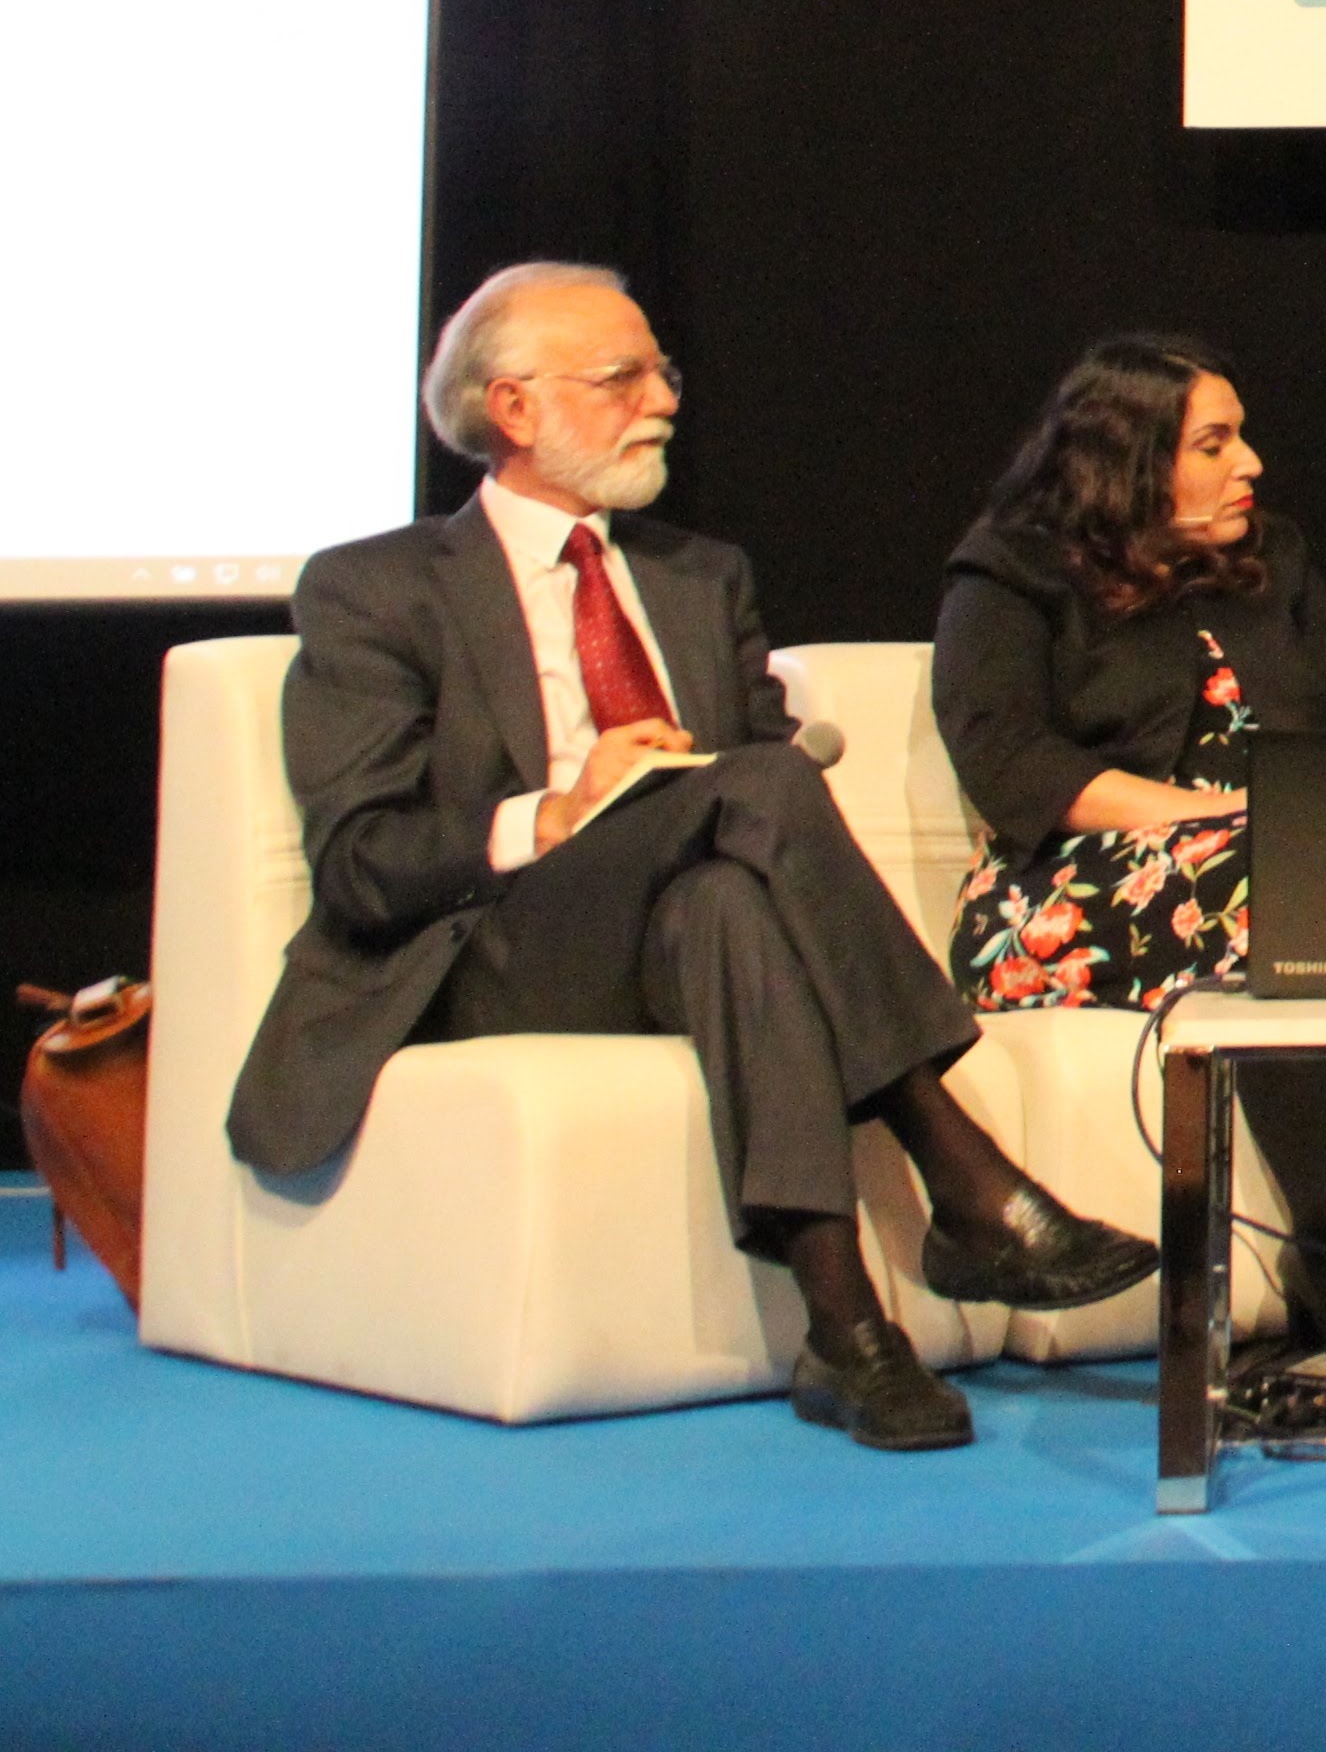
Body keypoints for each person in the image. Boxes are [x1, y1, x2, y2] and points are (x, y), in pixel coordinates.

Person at [226, 263, 1157, 1453]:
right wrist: (553, 812)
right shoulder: (376, 588)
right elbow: (363, 863)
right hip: (488, 949)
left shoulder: (700, 575)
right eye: (622, 378)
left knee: (728, 901)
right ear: (513, 408)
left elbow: (759, 801)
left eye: (663, 372)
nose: (663, 400)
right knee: (759, 786)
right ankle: (961, 1167)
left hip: (669, 934)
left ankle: (846, 1333)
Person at [932, 335, 1326, 1367]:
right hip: (1069, 891)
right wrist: (1213, 819)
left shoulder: (1274, 561)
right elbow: (1010, 763)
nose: (1251, 463)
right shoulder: (1014, 568)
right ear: (1132, 459)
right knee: (1279, 876)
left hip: (1281, 854)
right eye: (1215, 443)